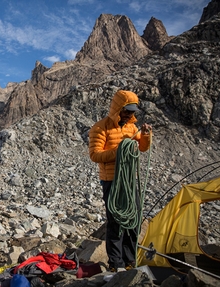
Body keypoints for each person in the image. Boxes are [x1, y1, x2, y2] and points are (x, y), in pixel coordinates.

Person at [88, 90, 152, 272]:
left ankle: (129, 260)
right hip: (111, 181)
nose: (130, 114)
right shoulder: (100, 128)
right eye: (126, 110)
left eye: (132, 111)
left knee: (134, 219)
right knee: (115, 221)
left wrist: (145, 135)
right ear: (118, 108)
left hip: (130, 180)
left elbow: (142, 148)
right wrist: (119, 151)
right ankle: (116, 263)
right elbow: (95, 155)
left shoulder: (132, 128)